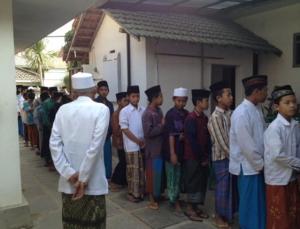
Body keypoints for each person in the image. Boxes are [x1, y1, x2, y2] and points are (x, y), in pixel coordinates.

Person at [50, 72, 110, 229]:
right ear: (94, 89)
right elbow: (95, 147)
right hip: (93, 180)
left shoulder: (63, 110)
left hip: (69, 182)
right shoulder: (101, 109)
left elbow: (54, 145)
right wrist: (83, 179)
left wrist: (70, 174)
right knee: (94, 224)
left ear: (74, 92)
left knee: (72, 224)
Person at [230, 75, 268, 229]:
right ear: (256, 91)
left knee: (258, 205)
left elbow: (261, 135)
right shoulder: (241, 113)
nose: (267, 93)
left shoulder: (257, 109)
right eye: (265, 90)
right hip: (248, 167)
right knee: (250, 206)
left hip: (257, 165)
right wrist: (260, 164)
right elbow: (247, 145)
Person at [264, 85, 300, 229]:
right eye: (287, 102)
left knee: (293, 213)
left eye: (294, 102)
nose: (292, 105)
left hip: (291, 177)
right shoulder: (274, 128)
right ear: (277, 106)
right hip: (278, 179)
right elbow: (278, 155)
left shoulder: (295, 125)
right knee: (279, 216)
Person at [208, 81, 237, 228]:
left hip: (232, 157)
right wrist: (236, 157)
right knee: (222, 189)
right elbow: (223, 143)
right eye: (228, 94)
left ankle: (226, 215)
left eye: (231, 94)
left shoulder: (230, 114)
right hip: (221, 159)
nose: (231, 97)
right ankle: (219, 216)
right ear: (219, 98)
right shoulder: (215, 117)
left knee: (230, 189)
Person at [183, 89, 211, 222]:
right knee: (193, 182)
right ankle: (189, 208)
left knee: (201, 182)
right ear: (198, 102)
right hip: (193, 157)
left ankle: (196, 207)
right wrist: (201, 157)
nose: (208, 103)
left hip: (203, 157)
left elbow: (206, 138)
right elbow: (192, 141)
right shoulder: (191, 118)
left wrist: (206, 156)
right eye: (206, 101)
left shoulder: (204, 118)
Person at [163, 87, 189, 214]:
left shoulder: (186, 113)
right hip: (172, 150)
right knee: (172, 176)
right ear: (174, 100)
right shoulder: (170, 114)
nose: (181, 103)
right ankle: (174, 201)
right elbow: (171, 135)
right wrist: (172, 153)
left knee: (179, 176)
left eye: (184, 101)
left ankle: (177, 197)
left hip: (183, 150)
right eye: (179, 101)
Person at [119, 85, 145, 202]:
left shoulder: (142, 110)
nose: (136, 99)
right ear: (128, 97)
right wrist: (137, 141)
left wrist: (143, 141)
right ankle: (132, 193)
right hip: (131, 146)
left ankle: (140, 192)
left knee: (141, 170)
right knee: (132, 171)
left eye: (138, 96)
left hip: (142, 145)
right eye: (133, 96)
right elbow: (125, 129)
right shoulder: (124, 111)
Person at [142, 85, 164, 210]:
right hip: (152, 150)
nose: (162, 98)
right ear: (154, 98)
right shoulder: (147, 113)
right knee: (151, 173)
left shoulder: (159, 111)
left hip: (160, 147)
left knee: (158, 173)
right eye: (160, 96)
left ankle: (157, 195)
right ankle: (151, 198)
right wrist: (162, 126)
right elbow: (148, 132)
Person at [95, 80, 114, 179]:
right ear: (98, 91)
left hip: (107, 136)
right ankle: (98, 177)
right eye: (101, 90)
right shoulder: (94, 103)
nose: (104, 92)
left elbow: (111, 120)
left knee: (107, 157)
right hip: (96, 136)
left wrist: (110, 133)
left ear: (108, 91)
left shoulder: (110, 104)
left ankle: (107, 177)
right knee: (97, 158)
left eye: (106, 90)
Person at [110, 92, 129, 191]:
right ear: (118, 102)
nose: (127, 102)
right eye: (125, 100)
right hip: (119, 142)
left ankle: (122, 181)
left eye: (127, 100)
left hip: (126, 142)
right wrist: (124, 125)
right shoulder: (116, 114)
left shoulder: (126, 112)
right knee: (123, 162)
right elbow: (116, 131)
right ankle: (115, 181)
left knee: (125, 162)